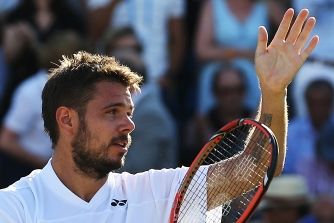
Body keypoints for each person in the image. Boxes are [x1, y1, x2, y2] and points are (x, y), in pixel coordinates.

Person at [0, 8, 319, 222]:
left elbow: (257, 168)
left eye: (129, 112)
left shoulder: (155, 192)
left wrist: (273, 90)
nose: (128, 124)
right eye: (112, 112)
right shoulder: (15, 208)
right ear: (67, 119)